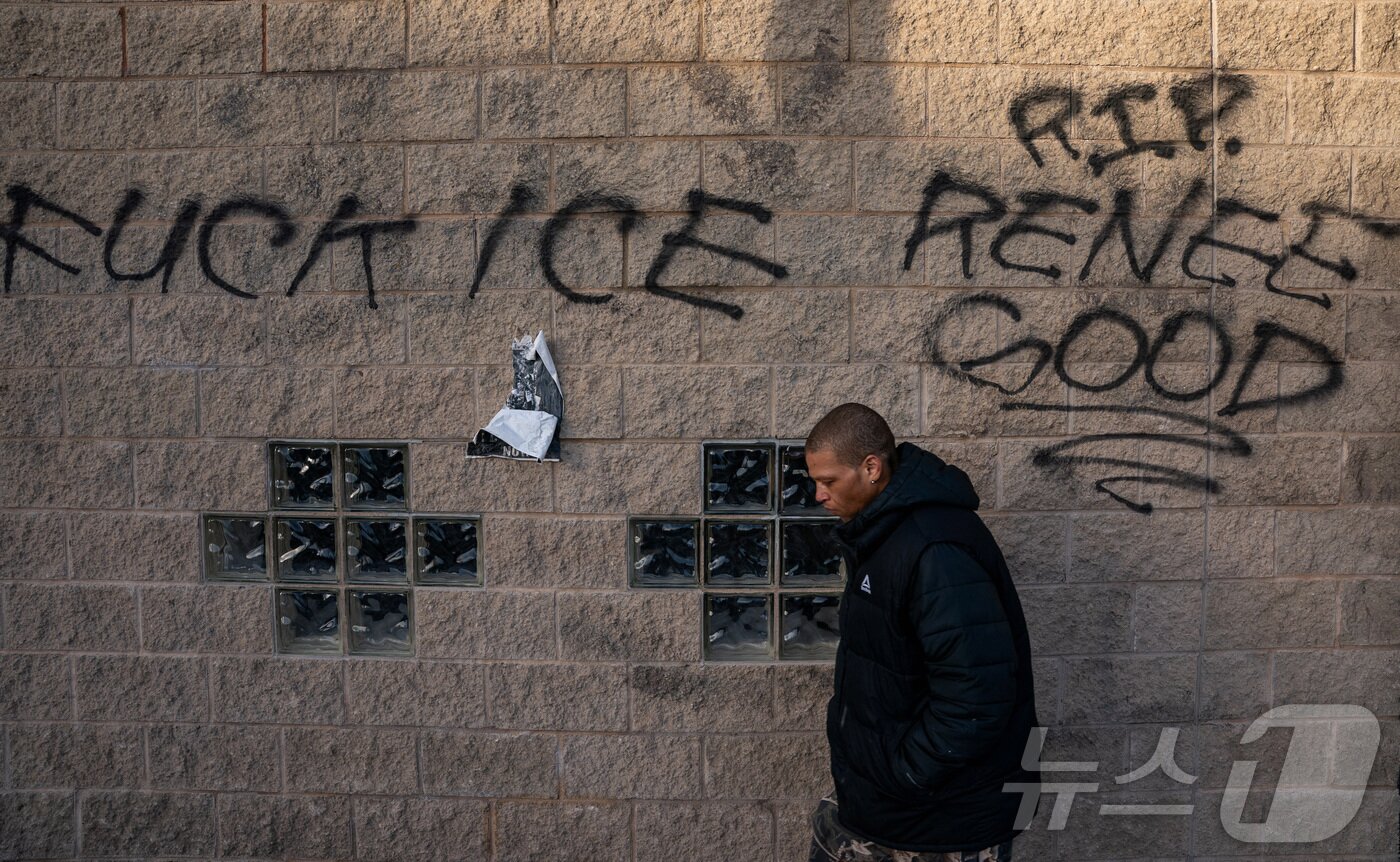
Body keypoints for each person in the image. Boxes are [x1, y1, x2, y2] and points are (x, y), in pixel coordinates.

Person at [803, 403, 1039, 862]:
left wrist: (907, 773)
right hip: (894, 803)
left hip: (939, 818)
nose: (818, 494)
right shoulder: (882, 533)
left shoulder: (935, 549)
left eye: (828, 480)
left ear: (871, 468)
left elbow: (978, 696)